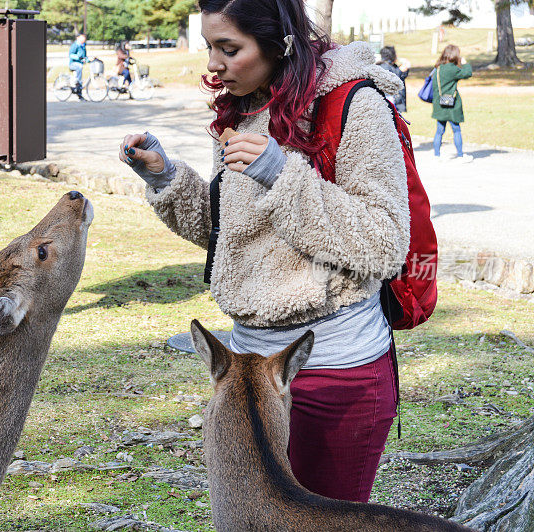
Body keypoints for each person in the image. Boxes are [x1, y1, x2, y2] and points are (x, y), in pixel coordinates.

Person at [119, 0, 409, 504]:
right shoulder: (243, 108)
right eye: (211, 46)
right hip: (246, 368)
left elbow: (385, 243)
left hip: (333, 374)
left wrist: (281, 176)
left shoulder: (355, 105)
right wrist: (165, 176)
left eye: (229, 49)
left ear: (281, 46)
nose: (213, 63)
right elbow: (231, 233)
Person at [432, 44, 473, 162]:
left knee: (439, 130)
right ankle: (460, 155)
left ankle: (437, 155)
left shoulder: (438, 68)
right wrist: (465, 63)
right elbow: (467, 73)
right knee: (456, 129)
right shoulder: (453, 69)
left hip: (439, 104)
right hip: (452, 104)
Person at [377, 45, 410, 112]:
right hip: (390, 102)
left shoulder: (392, 65)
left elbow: (402, 77)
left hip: (396, 102)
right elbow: (392, 81)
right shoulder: (384, 67)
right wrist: (400, 71)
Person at [69, 34, 88, 100]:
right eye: (82, 38)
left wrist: (87, 60)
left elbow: (85, 56)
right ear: (78, 38)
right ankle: (77, 81)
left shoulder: (83, 46)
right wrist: (79, 58)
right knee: (79, 67)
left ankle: (80, 95)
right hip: (73, 64)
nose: (83, 39)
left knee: (80, 70)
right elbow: (71, 55)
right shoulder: (75, 45)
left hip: (80, 65)